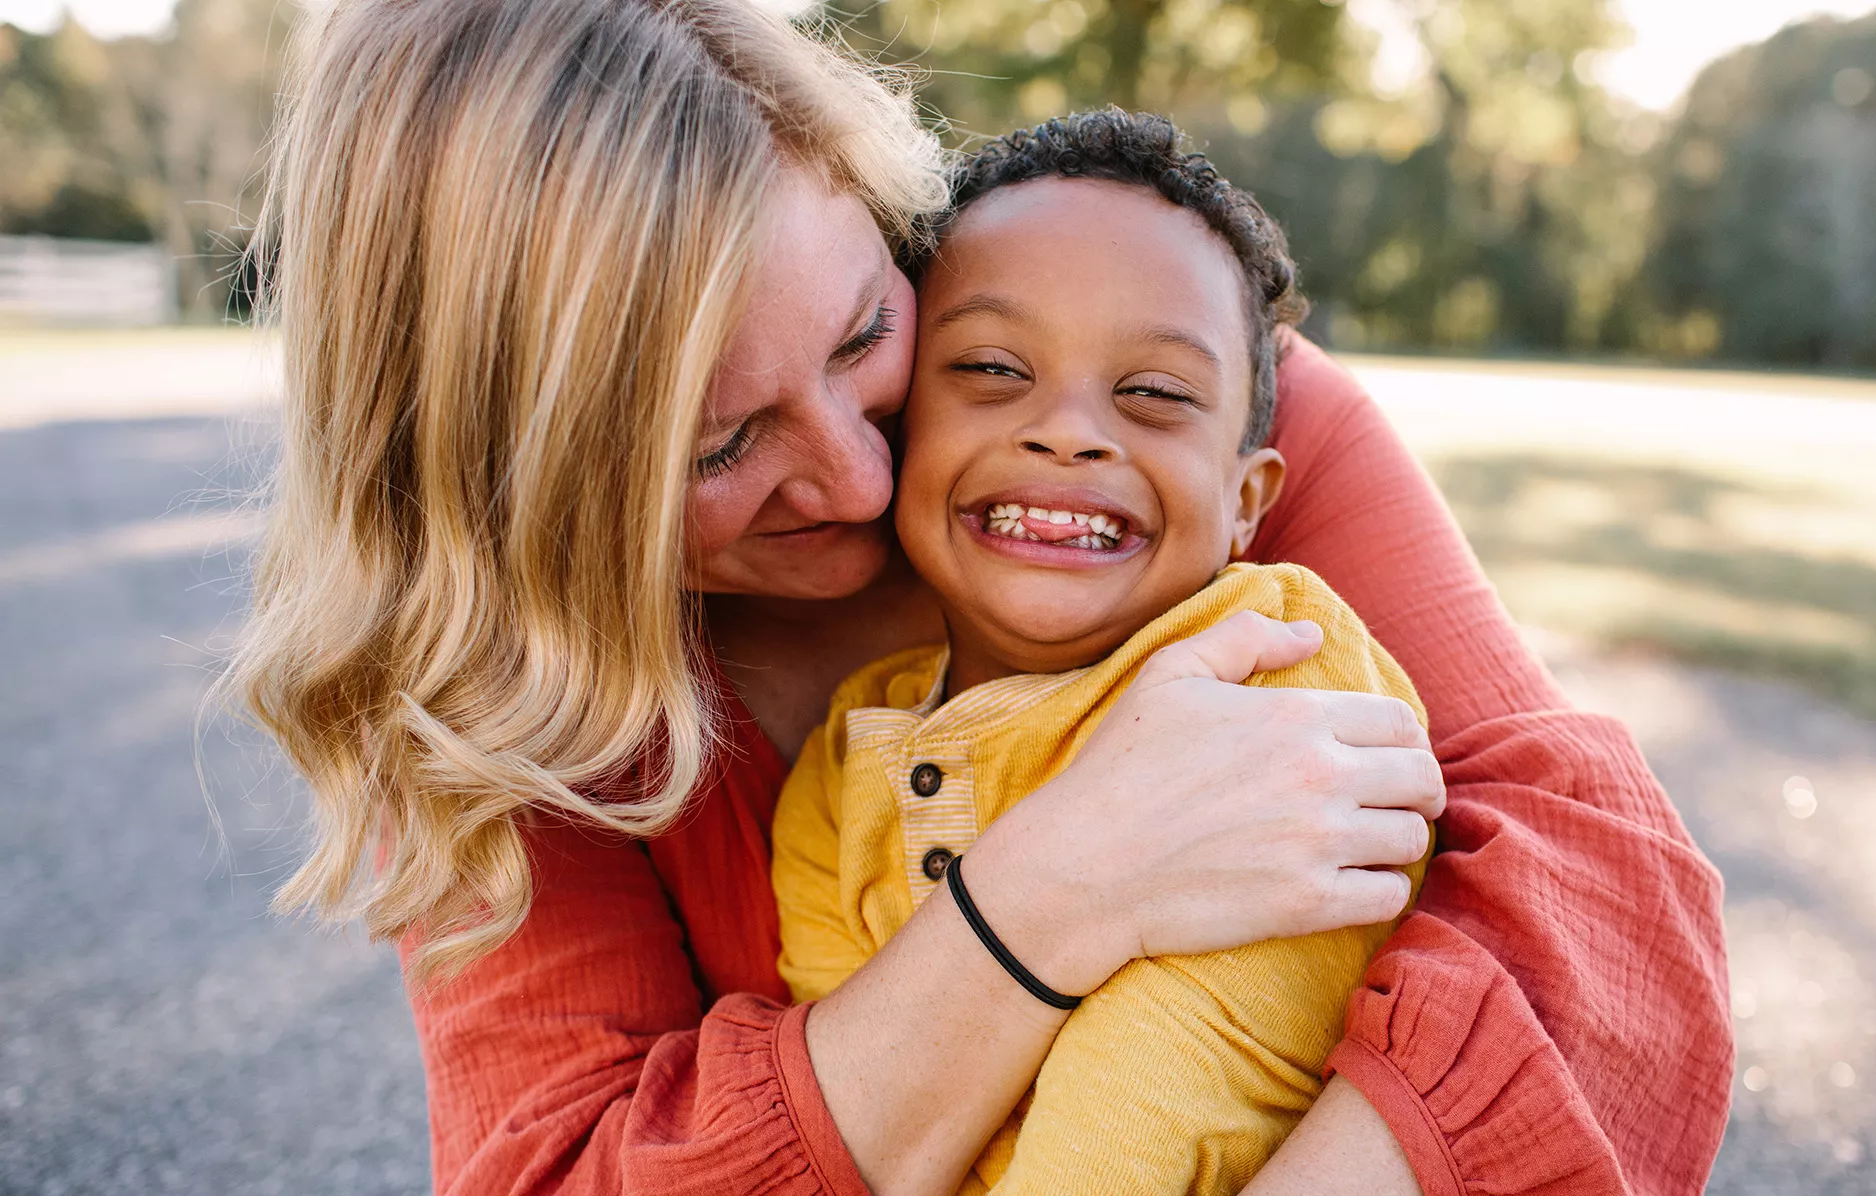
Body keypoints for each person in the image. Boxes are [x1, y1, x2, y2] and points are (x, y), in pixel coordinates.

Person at [225, 0, 1734, 1193]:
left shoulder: (1156, 413)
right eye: (719, 448)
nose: (860, 481)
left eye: (863, 332)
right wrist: (1052, 891)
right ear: (511, 500)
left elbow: (1605, 907)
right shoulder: (492, 693)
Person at [774, 110, 1432, 1193]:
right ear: (897, 426)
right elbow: (844, 1093)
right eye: (990, 367)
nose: (1071, 429)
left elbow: (1208, 1040)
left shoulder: (1277, 659)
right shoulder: (843, 763)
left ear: (1244, 501)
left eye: (1156, 394)